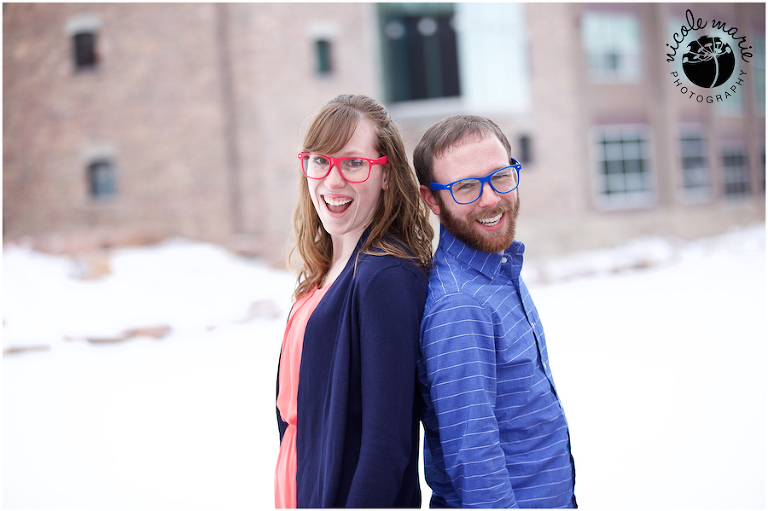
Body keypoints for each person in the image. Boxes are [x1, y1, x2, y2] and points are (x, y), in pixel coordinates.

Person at [274, 94, 434, 508]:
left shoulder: (386, 277)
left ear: (386, 174)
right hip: (302, 488)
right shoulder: (325, 271)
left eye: (354, 163)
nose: (332, 181)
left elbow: (387, 446)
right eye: (320, 161)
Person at [413, 115, 577, 508]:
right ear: (432, 199)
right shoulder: (460, 305)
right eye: (466, 186)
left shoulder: (497, 268)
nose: (490, 199)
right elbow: (475, 463)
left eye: (500, 176)